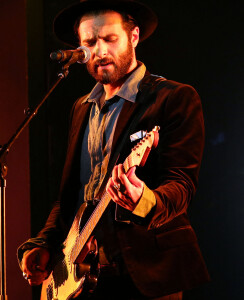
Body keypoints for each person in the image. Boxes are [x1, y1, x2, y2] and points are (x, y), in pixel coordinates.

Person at [18, 1, 209, 299]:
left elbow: (182, 184)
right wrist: (43, 243)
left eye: (110, 39)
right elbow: (72, 197)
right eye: (89, 43)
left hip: (146, 273)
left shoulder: (172, 98)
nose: (100, 51)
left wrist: (143, 200)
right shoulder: (81, 108)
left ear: (133, 36)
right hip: (84, 277)